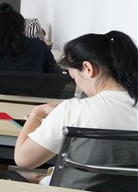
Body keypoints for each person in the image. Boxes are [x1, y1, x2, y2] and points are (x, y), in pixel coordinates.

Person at [14, 31, 138, 174]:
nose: (77, 83)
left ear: (88, 69)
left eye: (74, 78)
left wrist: (37, 112)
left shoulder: (72, 110)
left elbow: (23, 160)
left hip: (75, 188)